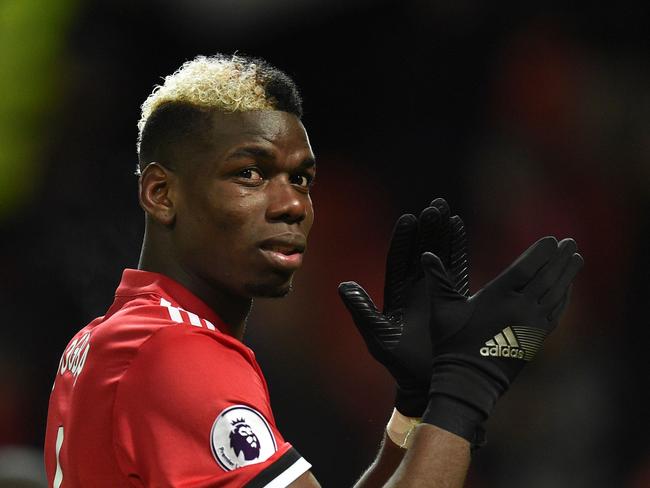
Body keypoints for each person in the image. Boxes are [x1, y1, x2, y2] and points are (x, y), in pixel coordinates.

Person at [44, 54, 583, 487]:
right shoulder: (174, 356)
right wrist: (466, 388)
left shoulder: (110, 340)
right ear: (161, 193)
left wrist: (415, 408)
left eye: (301, 179)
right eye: (250, 173)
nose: (292, 205)